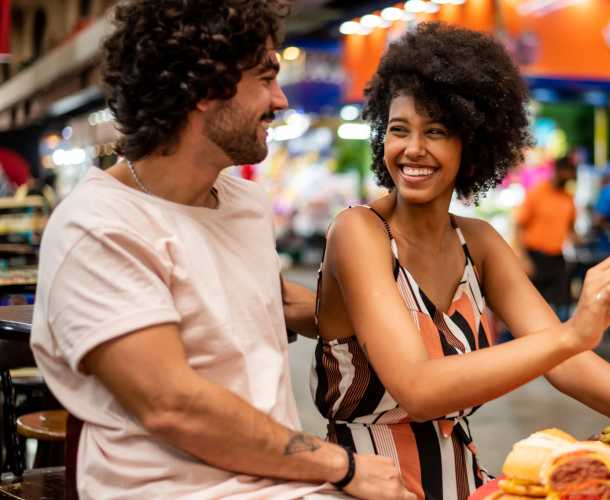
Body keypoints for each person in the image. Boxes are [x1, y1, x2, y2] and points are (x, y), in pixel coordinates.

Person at [311, 22, 610, 500]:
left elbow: (568, 363)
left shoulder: (479, 242)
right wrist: (573, 331)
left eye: (436, 131)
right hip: (366, 490)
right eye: (398, 130)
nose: (412, 149)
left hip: (469, 488)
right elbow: (417, 388)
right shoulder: (359, 231)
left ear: (471, 145)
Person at [29, 1, 413, 499]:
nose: (280, 100)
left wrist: (408, 315)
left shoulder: (242, 201)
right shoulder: (99, 227)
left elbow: (265, 300)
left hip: (281, 483)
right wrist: (340, 466)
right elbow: (173, 405)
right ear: (203, 88)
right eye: (264, 78)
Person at [516, 156, 578, 319]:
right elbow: (518, 226)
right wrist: (523, 258)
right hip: (535, 257)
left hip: (557, 257)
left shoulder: (568, 198)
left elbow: (571, 229)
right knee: (532, 309)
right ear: (557, 172)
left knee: (563, 306)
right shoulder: (537, 193)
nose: (567, 181)